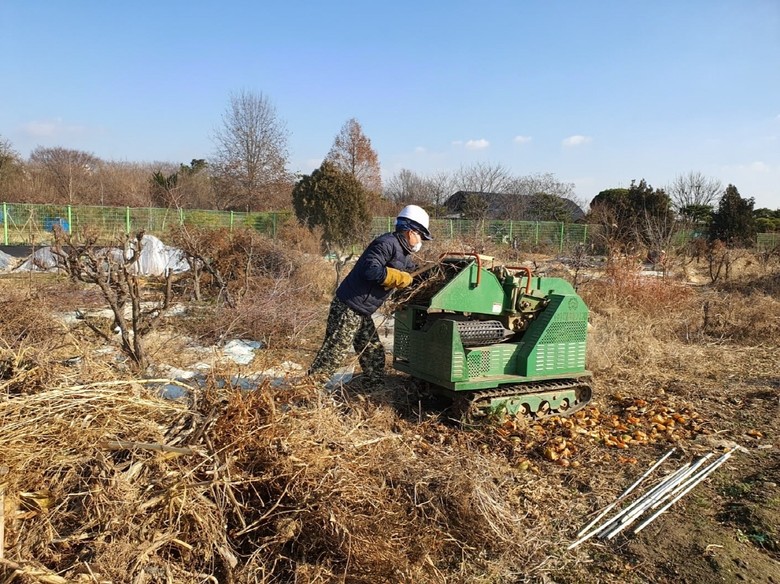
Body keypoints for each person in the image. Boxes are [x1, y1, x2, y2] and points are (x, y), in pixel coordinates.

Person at [308, 205, 433, 387]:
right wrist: (396, 277)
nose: (420, 240)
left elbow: (412, 272)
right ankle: (306, 392)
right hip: (348, 307)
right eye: (420, 235)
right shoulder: (386, 243)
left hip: (362, 311)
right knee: (334, 353)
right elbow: (370, 270)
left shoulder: (403, 253)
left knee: (372, 352)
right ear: (410, 230)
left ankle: (373, 388)